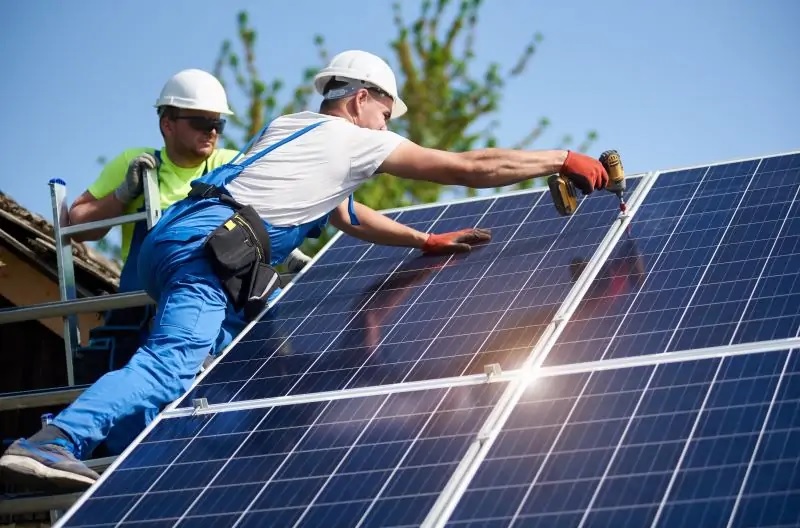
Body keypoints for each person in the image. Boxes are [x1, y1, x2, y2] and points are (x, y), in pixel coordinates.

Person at [0, 49, 609, 491]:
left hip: (178, 239)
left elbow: (347, 215)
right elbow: (467, 166)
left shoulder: (291, 128)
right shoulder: (353, 138)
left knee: (232, 373)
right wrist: (559, 157)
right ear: (360, 99)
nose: (387, 129)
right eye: (386, 115)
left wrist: (424, 239)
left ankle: (146, 463)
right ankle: (56, 441)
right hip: (212, 252)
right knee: (169, 365)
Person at [69, 69, 311, 455]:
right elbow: (76, 226)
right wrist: (121, 195)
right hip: (144, 314)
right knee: (138, 436)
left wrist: (285, 250)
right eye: (201, 122)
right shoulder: (137, 163)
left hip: (216, 313)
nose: (212, 132)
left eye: (217, 124)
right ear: (167, 123)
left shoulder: (234, 165)